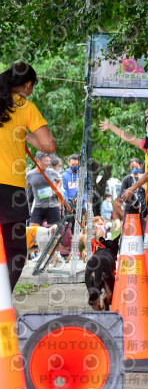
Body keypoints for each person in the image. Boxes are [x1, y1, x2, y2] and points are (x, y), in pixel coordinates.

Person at [0, 62, 56, 292]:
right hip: (9, 190)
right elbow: (49, 145)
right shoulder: (24, 106)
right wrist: (26, 136)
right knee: (14, 251)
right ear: (27, 85)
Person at [26, 151, 62, 226]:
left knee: (56, 233)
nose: (48, 163)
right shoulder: (30, 175)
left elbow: (60, 182)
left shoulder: (52, 172)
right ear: (38, 161)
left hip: (53, 207)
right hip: (38, 207)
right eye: (46, 161)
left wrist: (56, 190)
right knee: (32, 231)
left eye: (49, 161)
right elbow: (25, 188)